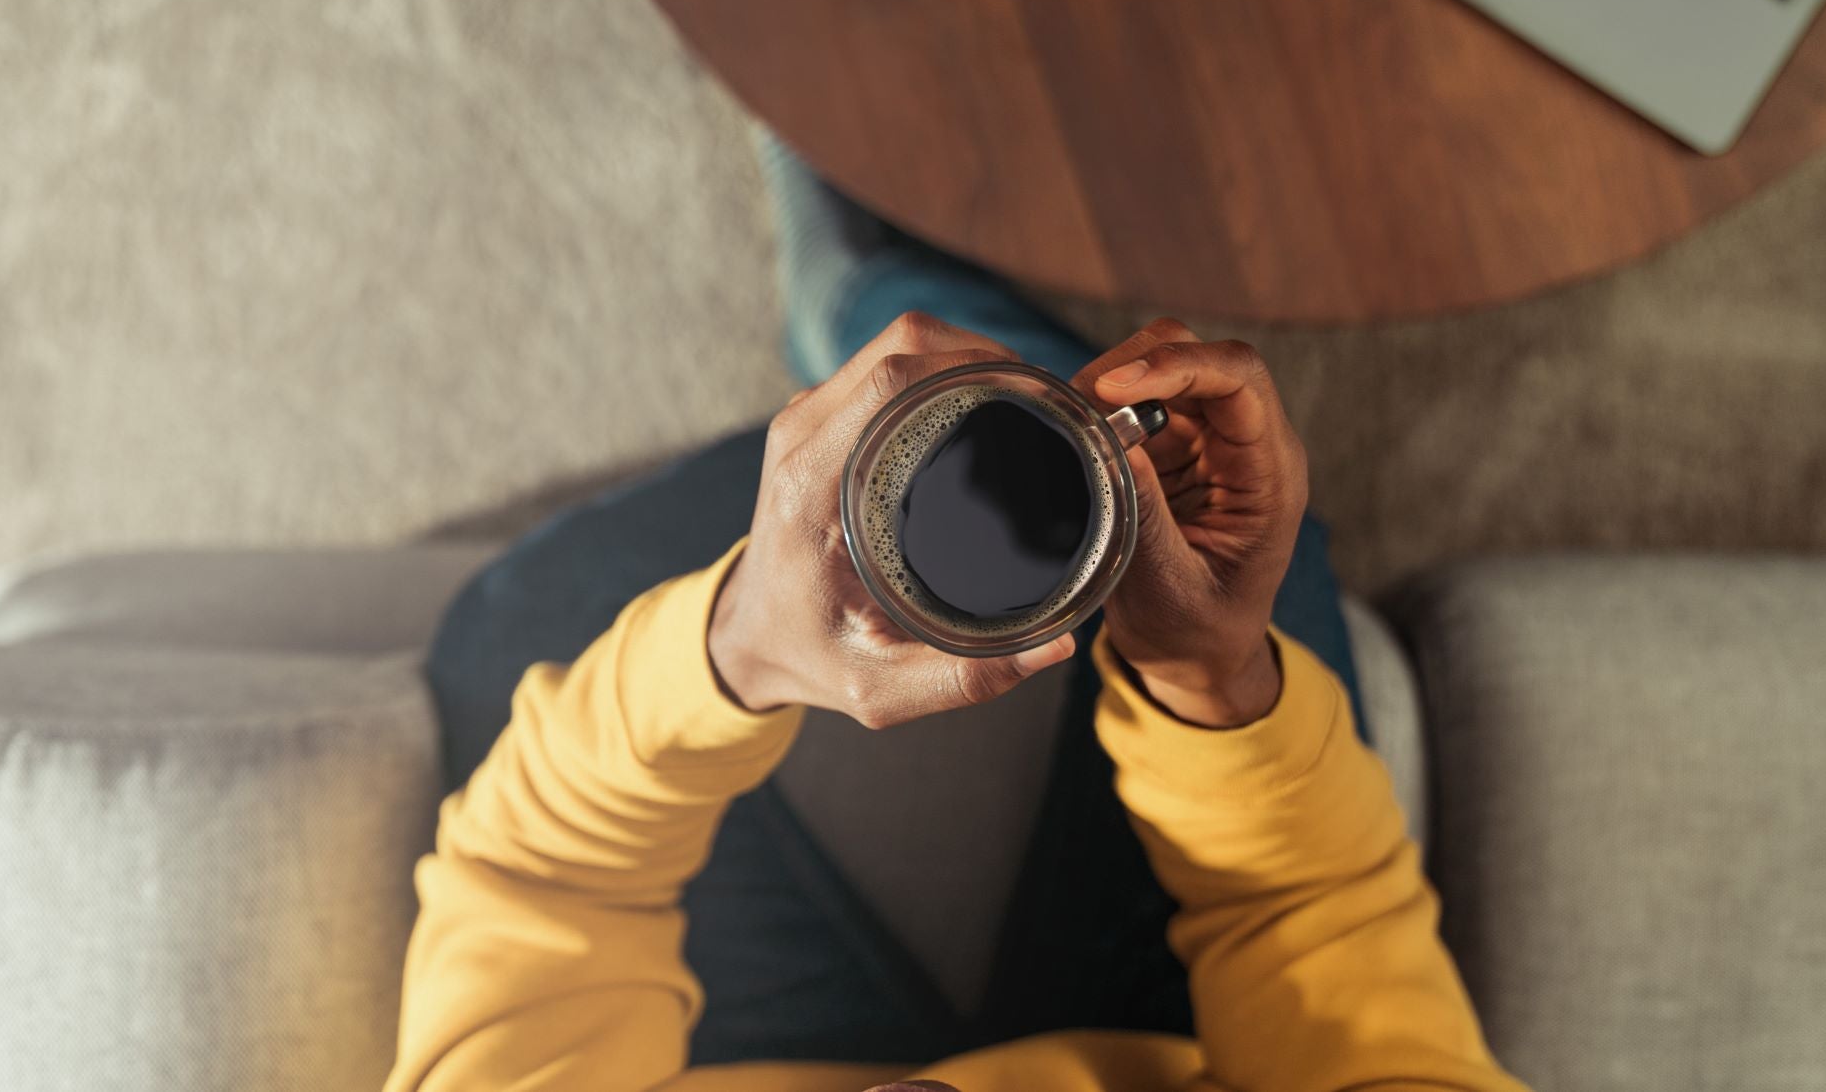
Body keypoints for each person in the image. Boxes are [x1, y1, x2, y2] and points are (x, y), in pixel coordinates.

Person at [384, 145, 1526, 1092]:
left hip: (740, 1049)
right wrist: (1207, 679)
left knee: (516, 622)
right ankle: (872, 291)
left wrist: (738, 648)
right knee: (1134, 476)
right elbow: (1317, 919)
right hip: (1173, 1045)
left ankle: (853, 286)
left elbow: (542, 884)